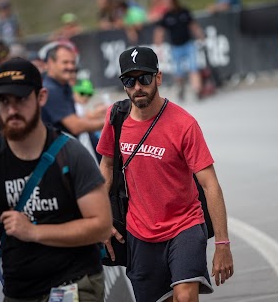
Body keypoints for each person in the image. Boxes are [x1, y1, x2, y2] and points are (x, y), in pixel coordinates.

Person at [0, 57, 112, 302]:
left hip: (74, 283)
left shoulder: (70, 154)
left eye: (20, 99)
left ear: (41, 97)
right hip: (20, 289)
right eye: (3, 101)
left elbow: (101, 225)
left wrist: (34, 231)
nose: (11, 110)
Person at [97, 46, 233, 301]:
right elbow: (106, 167)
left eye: (144, 78)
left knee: (185, 296)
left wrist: (222, 244)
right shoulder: (116, 118)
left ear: (158, 78)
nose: (137, 87)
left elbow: (210, 185)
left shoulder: (183, 124)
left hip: (185, 225)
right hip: (139, 232)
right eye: (129, 80)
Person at [41, 42, 104, 137]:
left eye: (73, 63)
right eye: (65, 62)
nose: (70, 67)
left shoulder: (63, 85)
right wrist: (110, 121)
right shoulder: (51, 89)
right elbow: (75, 127)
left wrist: (98, 115)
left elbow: (72, 119)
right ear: (51, 62)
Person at [153, 0, 205, 101]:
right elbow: (160, 31)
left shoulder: (184, 11)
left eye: (168, 1)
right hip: (175, 47)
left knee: (193, 68)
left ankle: (197, 90)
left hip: (188, 44)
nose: (166, 3)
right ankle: (181, 88)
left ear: (173, 0)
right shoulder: (166, 16)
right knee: (178, 71)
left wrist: (200, 36)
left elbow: (193, 25)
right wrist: (158, 45)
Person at [72, 79, 107, 163]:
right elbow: (81, 121)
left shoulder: (80, 108)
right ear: (73, 92)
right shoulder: (75, 107)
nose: (85, 97)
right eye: (82, 93)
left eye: (89, 94)